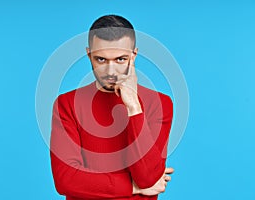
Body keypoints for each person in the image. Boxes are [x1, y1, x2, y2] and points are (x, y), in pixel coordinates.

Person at [50, 14, 174, 200]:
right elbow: (66, 180)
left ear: (134, 56)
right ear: (89, 55)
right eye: (101, 60)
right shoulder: (66, 104)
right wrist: (132, 188)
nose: (110, 71)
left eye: (120, 59)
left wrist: (133, 106)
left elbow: (147, 177)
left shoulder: (160, 103)